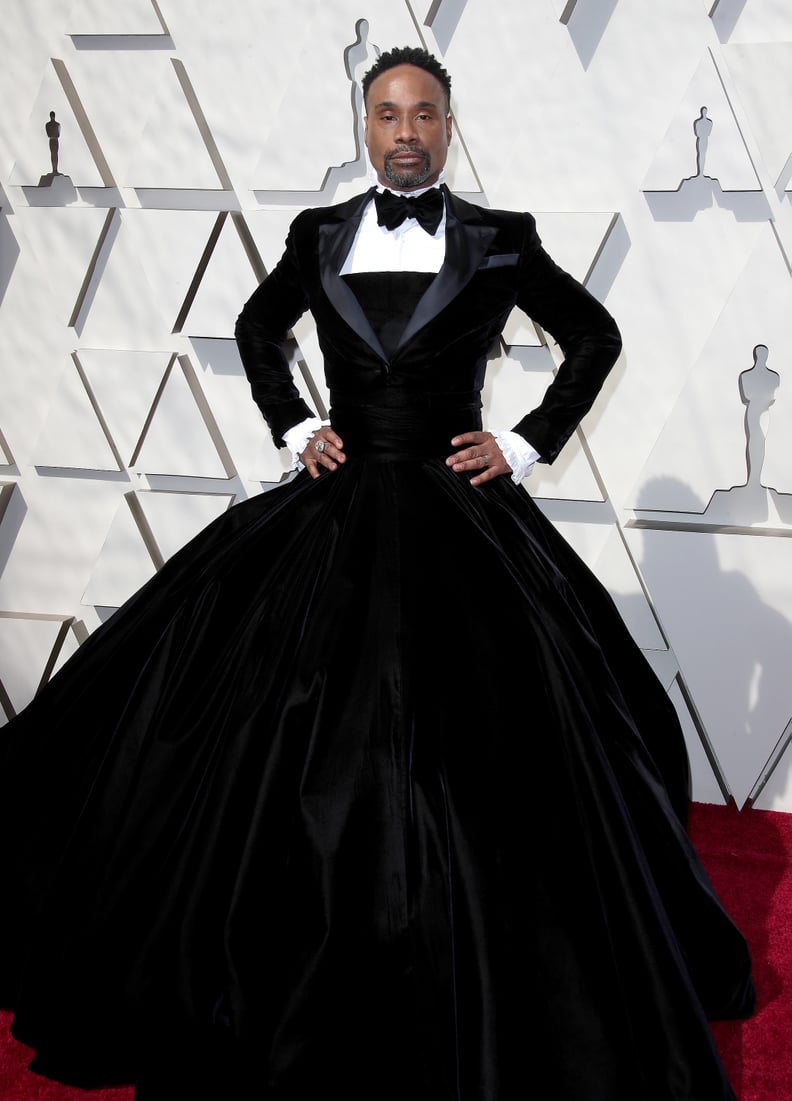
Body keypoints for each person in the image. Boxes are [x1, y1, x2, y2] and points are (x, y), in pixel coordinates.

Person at [0, 46, 753, 1101]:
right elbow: (260, 330)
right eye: (387, 114)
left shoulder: (500, 242)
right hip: (337, 514)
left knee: (502, 749)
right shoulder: (319, 236)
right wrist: (297, 421)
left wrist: (526, 443)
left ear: (449, 127)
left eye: (424, 115)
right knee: (275, 726)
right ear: (366, 128)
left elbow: (594, 335)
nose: (405, 132)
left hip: (462, 517)